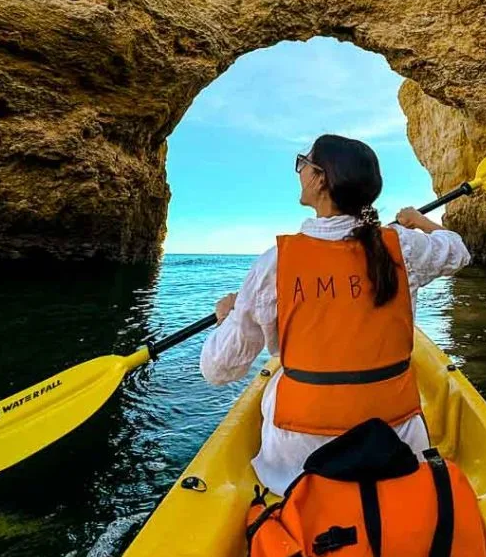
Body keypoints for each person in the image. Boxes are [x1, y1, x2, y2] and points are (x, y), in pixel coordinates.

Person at [199, 133, 471, 494]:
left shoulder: (274, 263)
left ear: (320, 178)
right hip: (395, 441)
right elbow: (458, 251)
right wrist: (419, 221)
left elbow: (219, 370)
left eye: (303, 164)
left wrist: (228, 316)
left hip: (297, 461)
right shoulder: (402, 245)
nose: (299, 173)